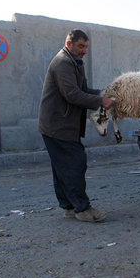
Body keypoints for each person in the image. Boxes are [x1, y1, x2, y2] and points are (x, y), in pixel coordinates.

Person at [38, 29, 115, 223]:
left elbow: (81, 90)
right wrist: (100, 101)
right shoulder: (63, 63)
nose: (84, 51)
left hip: (61, 125)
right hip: (58, 126)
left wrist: (100, 92)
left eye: (86, 47)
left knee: (62, 168)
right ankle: (83, 209)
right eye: (81, 46)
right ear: (69, 43)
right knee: (75, 164)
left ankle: (69, 207)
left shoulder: (73, 62)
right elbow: (72, 94)